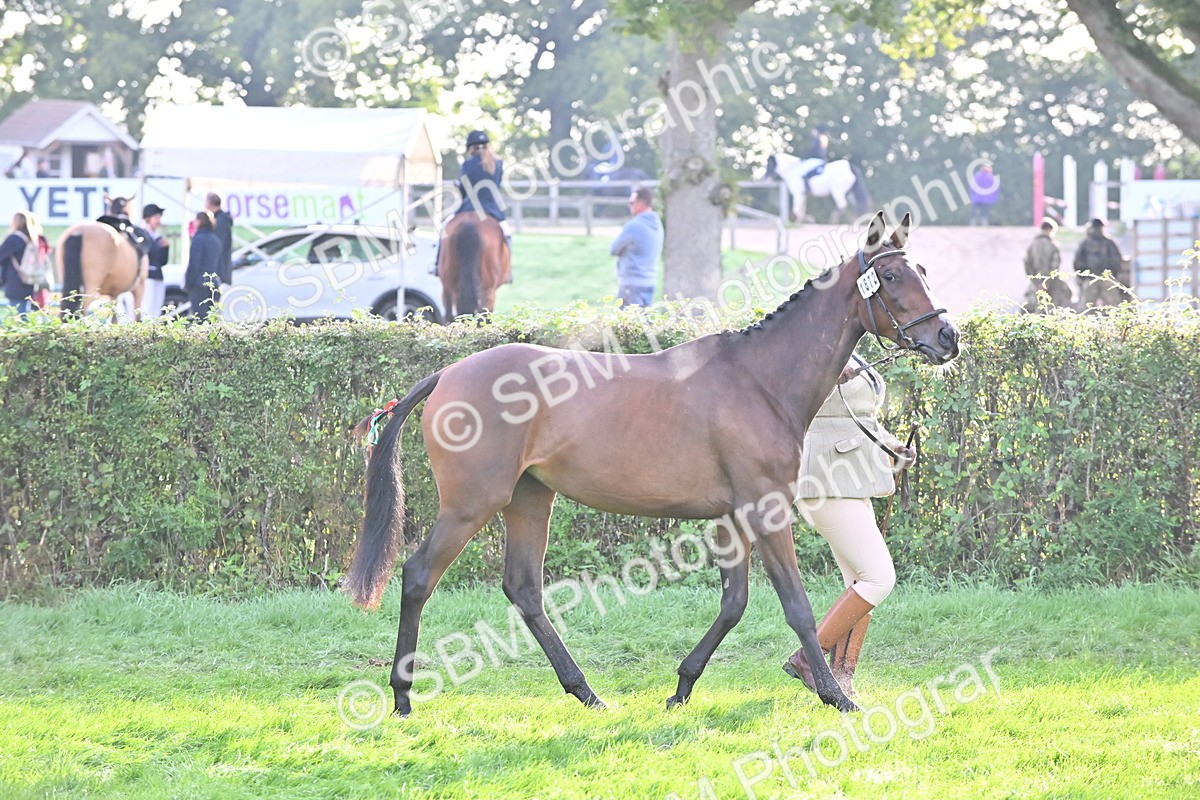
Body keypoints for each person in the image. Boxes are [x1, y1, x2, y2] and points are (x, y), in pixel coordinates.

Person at [783, 354, 917, 697]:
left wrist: (893, 446)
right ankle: (808, 659)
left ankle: (842, 678)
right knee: (879, 578)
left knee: (859, 582)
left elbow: (860, 419)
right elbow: (800, 398)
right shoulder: (810, 351)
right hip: (825, 477)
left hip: (855, 478)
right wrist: (829, 373)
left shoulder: (853, 351)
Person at [610, 186, 663, 307]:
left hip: (631, 285)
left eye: (631, 203)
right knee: (644, 318)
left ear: (640, 203)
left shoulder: (634, 225)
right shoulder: (658, 225)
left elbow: (614, 248)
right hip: (650, 283)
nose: (629, 206)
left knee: (627, 319)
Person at [1074, 218, 1131, 307]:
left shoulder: (1085, 243)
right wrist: (1112, 275)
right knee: (1114, 308)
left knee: (1085, 308)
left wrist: (1084, 277)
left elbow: (1077, 263)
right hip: (1106, 279)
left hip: (1090, 279)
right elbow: (1117, 261)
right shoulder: (1109, 242)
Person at [1022, 218, 1072, 310]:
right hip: (1053, 285)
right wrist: (1046, 283)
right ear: (1050, 229)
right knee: (1052, 308)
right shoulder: (1053, 245)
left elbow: (1027, 264)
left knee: (1034, 307)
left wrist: (1036, 282)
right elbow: (1055, 266)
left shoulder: (1032, 245)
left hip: (1036, 283)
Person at [0, 211, 43, 315]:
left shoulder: (15, 238)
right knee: (24, 311)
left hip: (15, 281)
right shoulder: (32, 238)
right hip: (29, 280)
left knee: (17, 314)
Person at [186, 211, 221, 320]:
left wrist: (188, 282)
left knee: (199, 317)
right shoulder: (215, 239)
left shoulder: (198, 239)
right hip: (214, 282)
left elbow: (194, 264)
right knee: (212, 317)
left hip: (199, 283)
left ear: (199, 221)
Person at [141, 203, 170, 318]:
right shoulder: (142, 234)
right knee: (146, 309)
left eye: (159, 217)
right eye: (156, 217)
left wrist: (165, 248)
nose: (159, 221)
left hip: (158, 275)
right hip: (147, 276)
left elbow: (163, 261)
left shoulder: (158, 237)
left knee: (157, 309)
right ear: (147, 218)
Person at [205, 192, 234, 286]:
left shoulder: (221, 221)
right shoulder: (222, 219)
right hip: (220, 267)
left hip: (219, 268)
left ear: (210, 204)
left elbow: (218, 245)